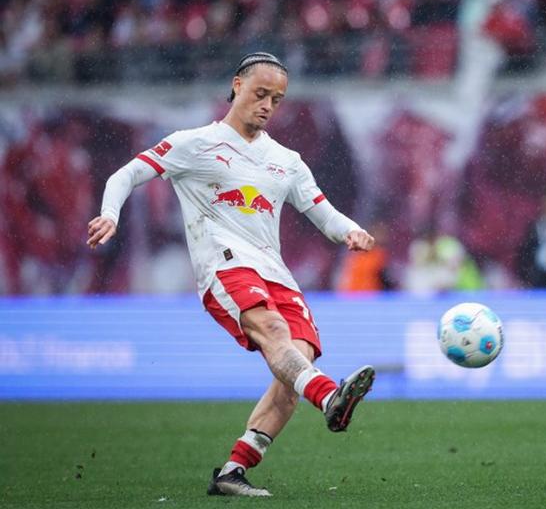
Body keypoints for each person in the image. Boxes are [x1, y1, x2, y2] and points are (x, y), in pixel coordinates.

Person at [86, 52, 376, 497]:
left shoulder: (286, 159)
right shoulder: (194, 143)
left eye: (276, 99)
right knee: (275, 333)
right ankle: (331, 398)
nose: (267, 105)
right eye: (260, 94)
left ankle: (232, 472)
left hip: (276, 273)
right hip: (224, 264)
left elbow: (322, 211)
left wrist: (352, 232)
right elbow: (126, 174)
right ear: (237, 85)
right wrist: (110, 215)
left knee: (294, 368)